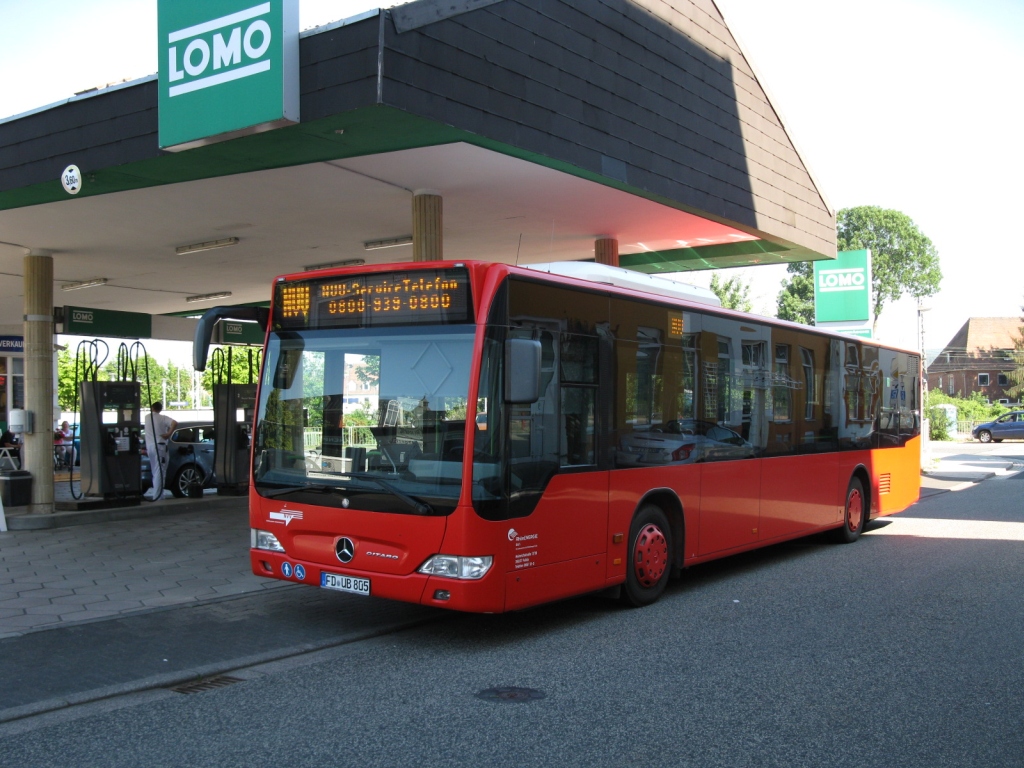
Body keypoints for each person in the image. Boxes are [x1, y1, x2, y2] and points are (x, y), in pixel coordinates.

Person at [144, 402, 178, 499]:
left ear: (152, 407)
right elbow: (175, 423)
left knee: (155, 471)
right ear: (160, 409)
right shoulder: (162, 418)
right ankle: (158, 496)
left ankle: (158, 494)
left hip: (150, 447)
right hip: (160, 446)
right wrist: (168, 434)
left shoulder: (147, 417)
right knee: (160, 471)